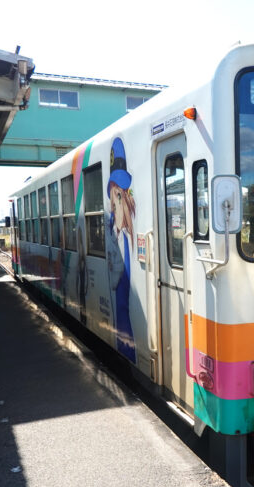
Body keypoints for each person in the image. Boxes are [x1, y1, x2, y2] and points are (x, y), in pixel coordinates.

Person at [106, 137, 137, 362]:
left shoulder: (124, 236)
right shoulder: (112, 229)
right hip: (118, 299)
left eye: (122, 193)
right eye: (116, 193)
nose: (118, 199)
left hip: (123, 301)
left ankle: (128, 351)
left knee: (123, 313)